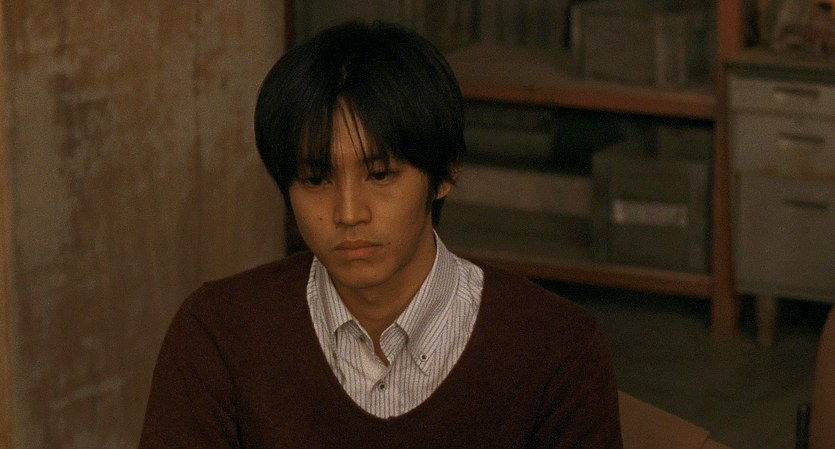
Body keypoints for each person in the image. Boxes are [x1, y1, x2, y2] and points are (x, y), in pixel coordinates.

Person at [139, 20, 623, 448]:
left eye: (381, 174)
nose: (349, 213)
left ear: (444, 174)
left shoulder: (556, 349)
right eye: (316, 180)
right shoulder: (218, 334)